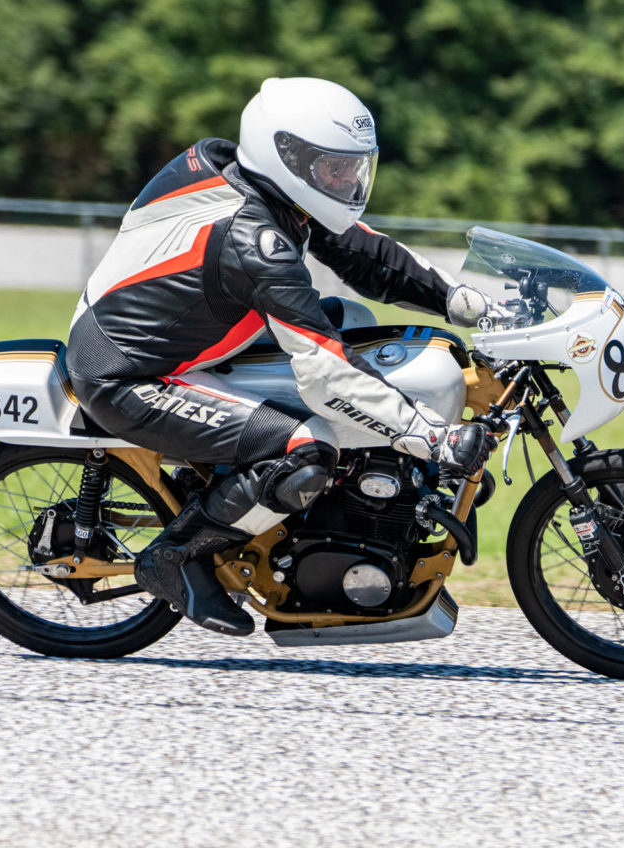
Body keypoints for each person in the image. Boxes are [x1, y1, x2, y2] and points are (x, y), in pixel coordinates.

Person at [64, 76, 502, 636]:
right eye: (333, 167)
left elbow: (367, 256)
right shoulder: (256, 240)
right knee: (304, 451)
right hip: (131, 373)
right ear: (286, 156)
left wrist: (464, 302)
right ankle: (174, 557)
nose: (347, 181)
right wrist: (432, 438)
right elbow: (325, 374)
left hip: (188, 335)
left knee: (358, 325)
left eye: (354, 166)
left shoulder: (247, 174)